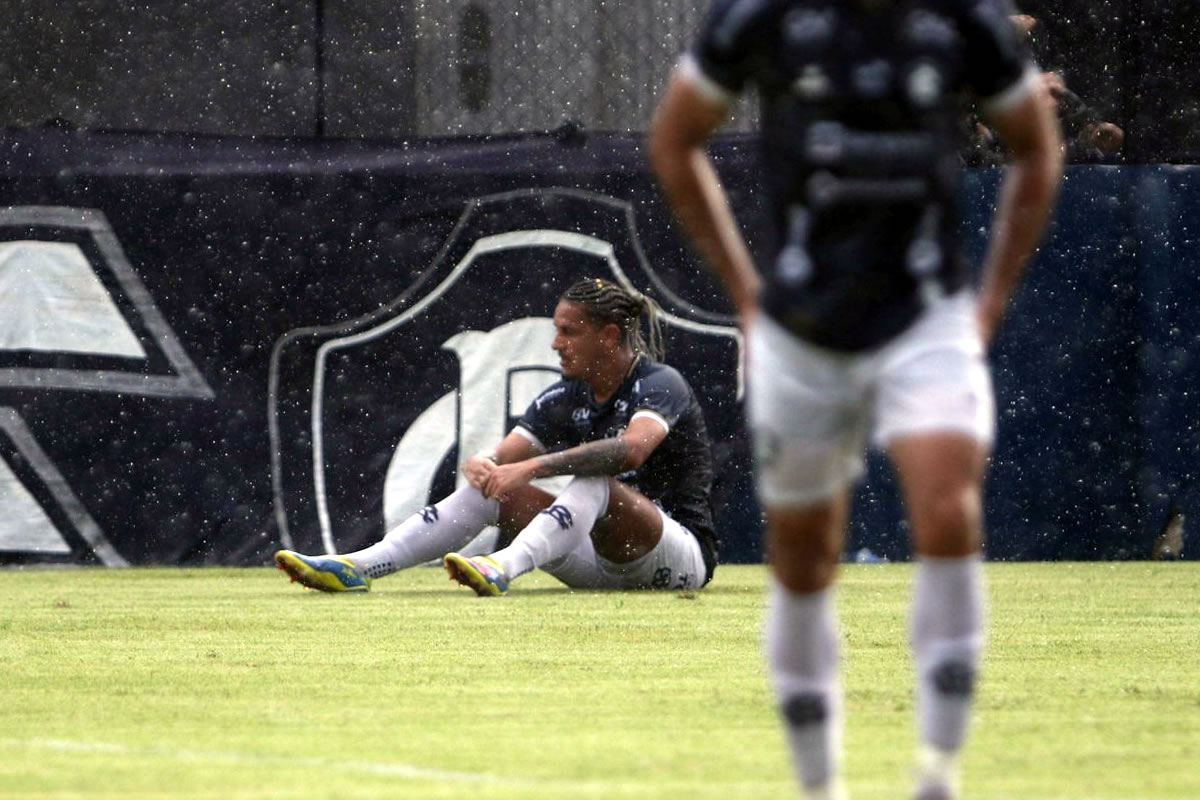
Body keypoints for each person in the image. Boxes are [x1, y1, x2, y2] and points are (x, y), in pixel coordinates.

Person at [648, 2, 1063, 800]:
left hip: (927, 317)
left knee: (947, 512)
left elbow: (1035, 146)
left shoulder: (965, 20)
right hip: (802, 326)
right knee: (804, 554)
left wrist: (991, 299)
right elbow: (674, 138)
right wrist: (744, 291)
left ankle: (937, 774)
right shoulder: (759, 17)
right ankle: (820, 785)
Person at [274, 277, 718, 596]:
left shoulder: (660, 383)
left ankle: (501, 568)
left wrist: (532, 467)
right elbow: (505, 457)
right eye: (556, 331)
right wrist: (486, 464)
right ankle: (359, 566)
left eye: (569, 332)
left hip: (677, 557)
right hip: (598, 561)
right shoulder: (565, 395)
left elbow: (632, 450)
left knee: (595, 482)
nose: (556, 344)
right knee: (493, 489)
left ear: (609, 336)